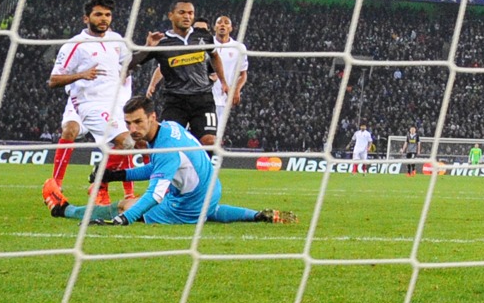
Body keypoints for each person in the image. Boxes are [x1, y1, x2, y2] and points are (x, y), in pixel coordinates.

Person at [42, 96, 297, 225]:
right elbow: (157, 169)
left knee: (126, 204)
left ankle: (64, 210)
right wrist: (115, 175)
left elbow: (155, 194)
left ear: (152, 117)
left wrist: (124, 219)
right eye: (128, 123)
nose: (132, 129)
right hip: (210, 193)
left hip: (187, 206)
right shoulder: (170, 127)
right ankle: (255, 216)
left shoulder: (166, 148)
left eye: (138, 122)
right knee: (209, 211)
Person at [48, 0, 135, 206]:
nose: (104, 19)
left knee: (130, 142)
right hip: (87, 103)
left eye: (107, 15)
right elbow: (53, 80)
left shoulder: (116, 40)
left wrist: (146, 51)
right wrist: (82, 75)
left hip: (114, 103)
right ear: (86, 18)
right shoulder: (75, 45)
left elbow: (127, 63)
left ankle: (123, 190)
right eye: (98, 14)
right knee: (72, 131)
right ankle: (58, 183)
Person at [129, 0, 229, 158]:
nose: (187, 16)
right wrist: (148, 47)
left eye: (190, 13)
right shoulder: (161, 42)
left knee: (209, 141)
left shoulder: (203, 37)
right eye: (182, 12)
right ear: (171, 15)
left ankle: (201, 177)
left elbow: (215, 56)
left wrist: (223, 81)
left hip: (202, 100)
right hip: (175, 101)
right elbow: (130, 64)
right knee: (168, 144)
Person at [211, 15, 248, 141]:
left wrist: (237, 90)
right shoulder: (206, 44)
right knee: (206, 135)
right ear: (214, 27)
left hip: (224, 100)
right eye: (219, 22)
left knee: (216, 137)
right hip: (205, 97)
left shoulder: (239, 48)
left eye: (226, 23)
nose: (222, 25)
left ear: (231, 28)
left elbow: (243, 74)